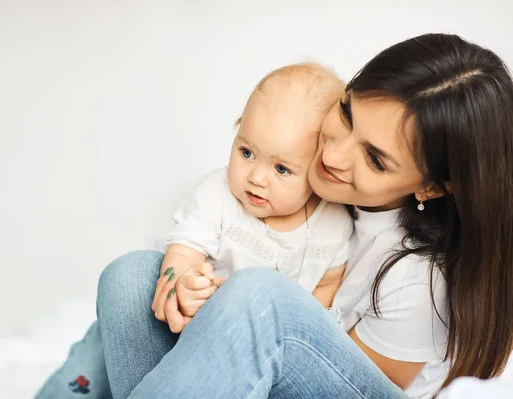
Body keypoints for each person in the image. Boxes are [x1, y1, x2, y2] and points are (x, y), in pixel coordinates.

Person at [52, 33, 513, 398]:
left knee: (261, 297)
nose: (333, 153)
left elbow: (321, 368)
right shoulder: (315, 193)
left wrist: (232, 321)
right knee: (131, 276)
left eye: (375, 159)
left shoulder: (419, 278)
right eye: (347, 113)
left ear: (431, 186)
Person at [35, 62, 353, 398]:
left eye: (282, 168)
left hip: (250, 353)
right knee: (94, 359)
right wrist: (182, 284)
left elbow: (328, 284)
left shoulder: (332, 223)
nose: (257, 177)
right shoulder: (218, 194)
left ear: (321, 167)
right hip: (184, 332)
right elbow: (184, 251)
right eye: (246, 152)